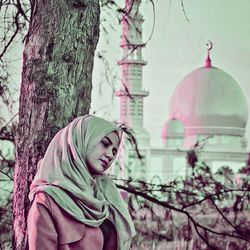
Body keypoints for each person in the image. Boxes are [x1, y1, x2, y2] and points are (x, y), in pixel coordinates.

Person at [27, 114, 135, 250]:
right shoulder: (47, 200)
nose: (110, 155)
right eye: (105, 144)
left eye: (114, 152)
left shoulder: (105, 197)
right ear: (82, 140)